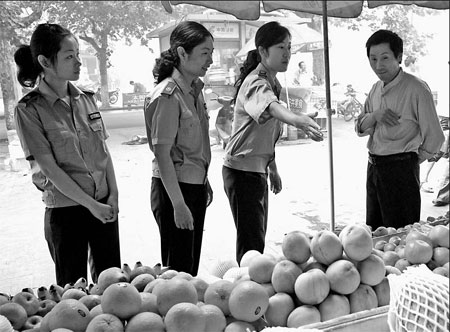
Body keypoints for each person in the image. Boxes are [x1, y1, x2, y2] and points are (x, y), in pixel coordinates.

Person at [13, 23, 121, 286]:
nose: (78, 63)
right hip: (66, 212)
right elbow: (49, 168)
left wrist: (113, 194)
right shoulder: (29, 109)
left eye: (77, 54)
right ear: (45, 62)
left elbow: (103, 152)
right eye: (69, 56)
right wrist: (91, 205)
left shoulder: (86, 99)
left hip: (103, 204)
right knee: (73, 291)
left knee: (112, 286)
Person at [222, 21, 324, 264]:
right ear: (263, 51)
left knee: (255, 239)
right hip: (242, 172)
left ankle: (250, 288)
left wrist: (272, 168)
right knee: (251, 245)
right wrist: (297, 119)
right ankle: (247, 291)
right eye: (281, 47)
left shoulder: (272, 81)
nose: (287, 53)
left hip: (255, 171)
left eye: (289, 47)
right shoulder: (256, 81)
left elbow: (265, 131)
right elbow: (272, 107)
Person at [355, 29, 444, 230]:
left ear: (399, 57)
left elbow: (436, 137)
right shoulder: (375, 88)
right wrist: (375, 115)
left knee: (402, 236)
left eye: (385, 58)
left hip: (401, 170)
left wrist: (411, 160)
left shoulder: (417, 88)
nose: (378, 65)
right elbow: (360, 127)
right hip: (374, 167)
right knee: (376, 234)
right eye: (373, 58)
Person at [144, 21, 214, 276]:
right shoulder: (168, 96)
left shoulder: (195, 91)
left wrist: (203, 181)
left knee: (190, 266)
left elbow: (195, 148)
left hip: (192, 187)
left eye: (211, 53)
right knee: (179, 270)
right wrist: (179, 204)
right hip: (174, 190)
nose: (211, 60)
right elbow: (162, 155)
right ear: (183, 53)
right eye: (205, 53)